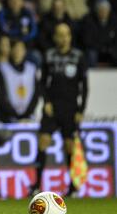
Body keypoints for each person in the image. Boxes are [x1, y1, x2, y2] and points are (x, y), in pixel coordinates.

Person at [29, 23, 88, 197]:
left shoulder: (78, 57)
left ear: (70, 37)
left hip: (70, 109)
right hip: (52, 107)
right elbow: (42, 82)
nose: (63, 38)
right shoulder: (49, 56)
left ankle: (72, 187)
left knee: (69, 146)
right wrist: (46, 101)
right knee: (43, 141)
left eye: (66, 34)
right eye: (60, 34)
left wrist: (80, 109)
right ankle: (37, 185)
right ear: (55, 37)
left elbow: (84, 86)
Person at [0, 40, 39, 123]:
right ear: (10, 50)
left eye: (21, 49)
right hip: (6, 119)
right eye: (15, 48)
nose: (18, 52)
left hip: (28, 118)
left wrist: (27, 114)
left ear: (25, 51)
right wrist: (15, 116)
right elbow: (1, 96)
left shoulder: (31, 69)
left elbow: (36, 94)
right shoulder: (2, 70)